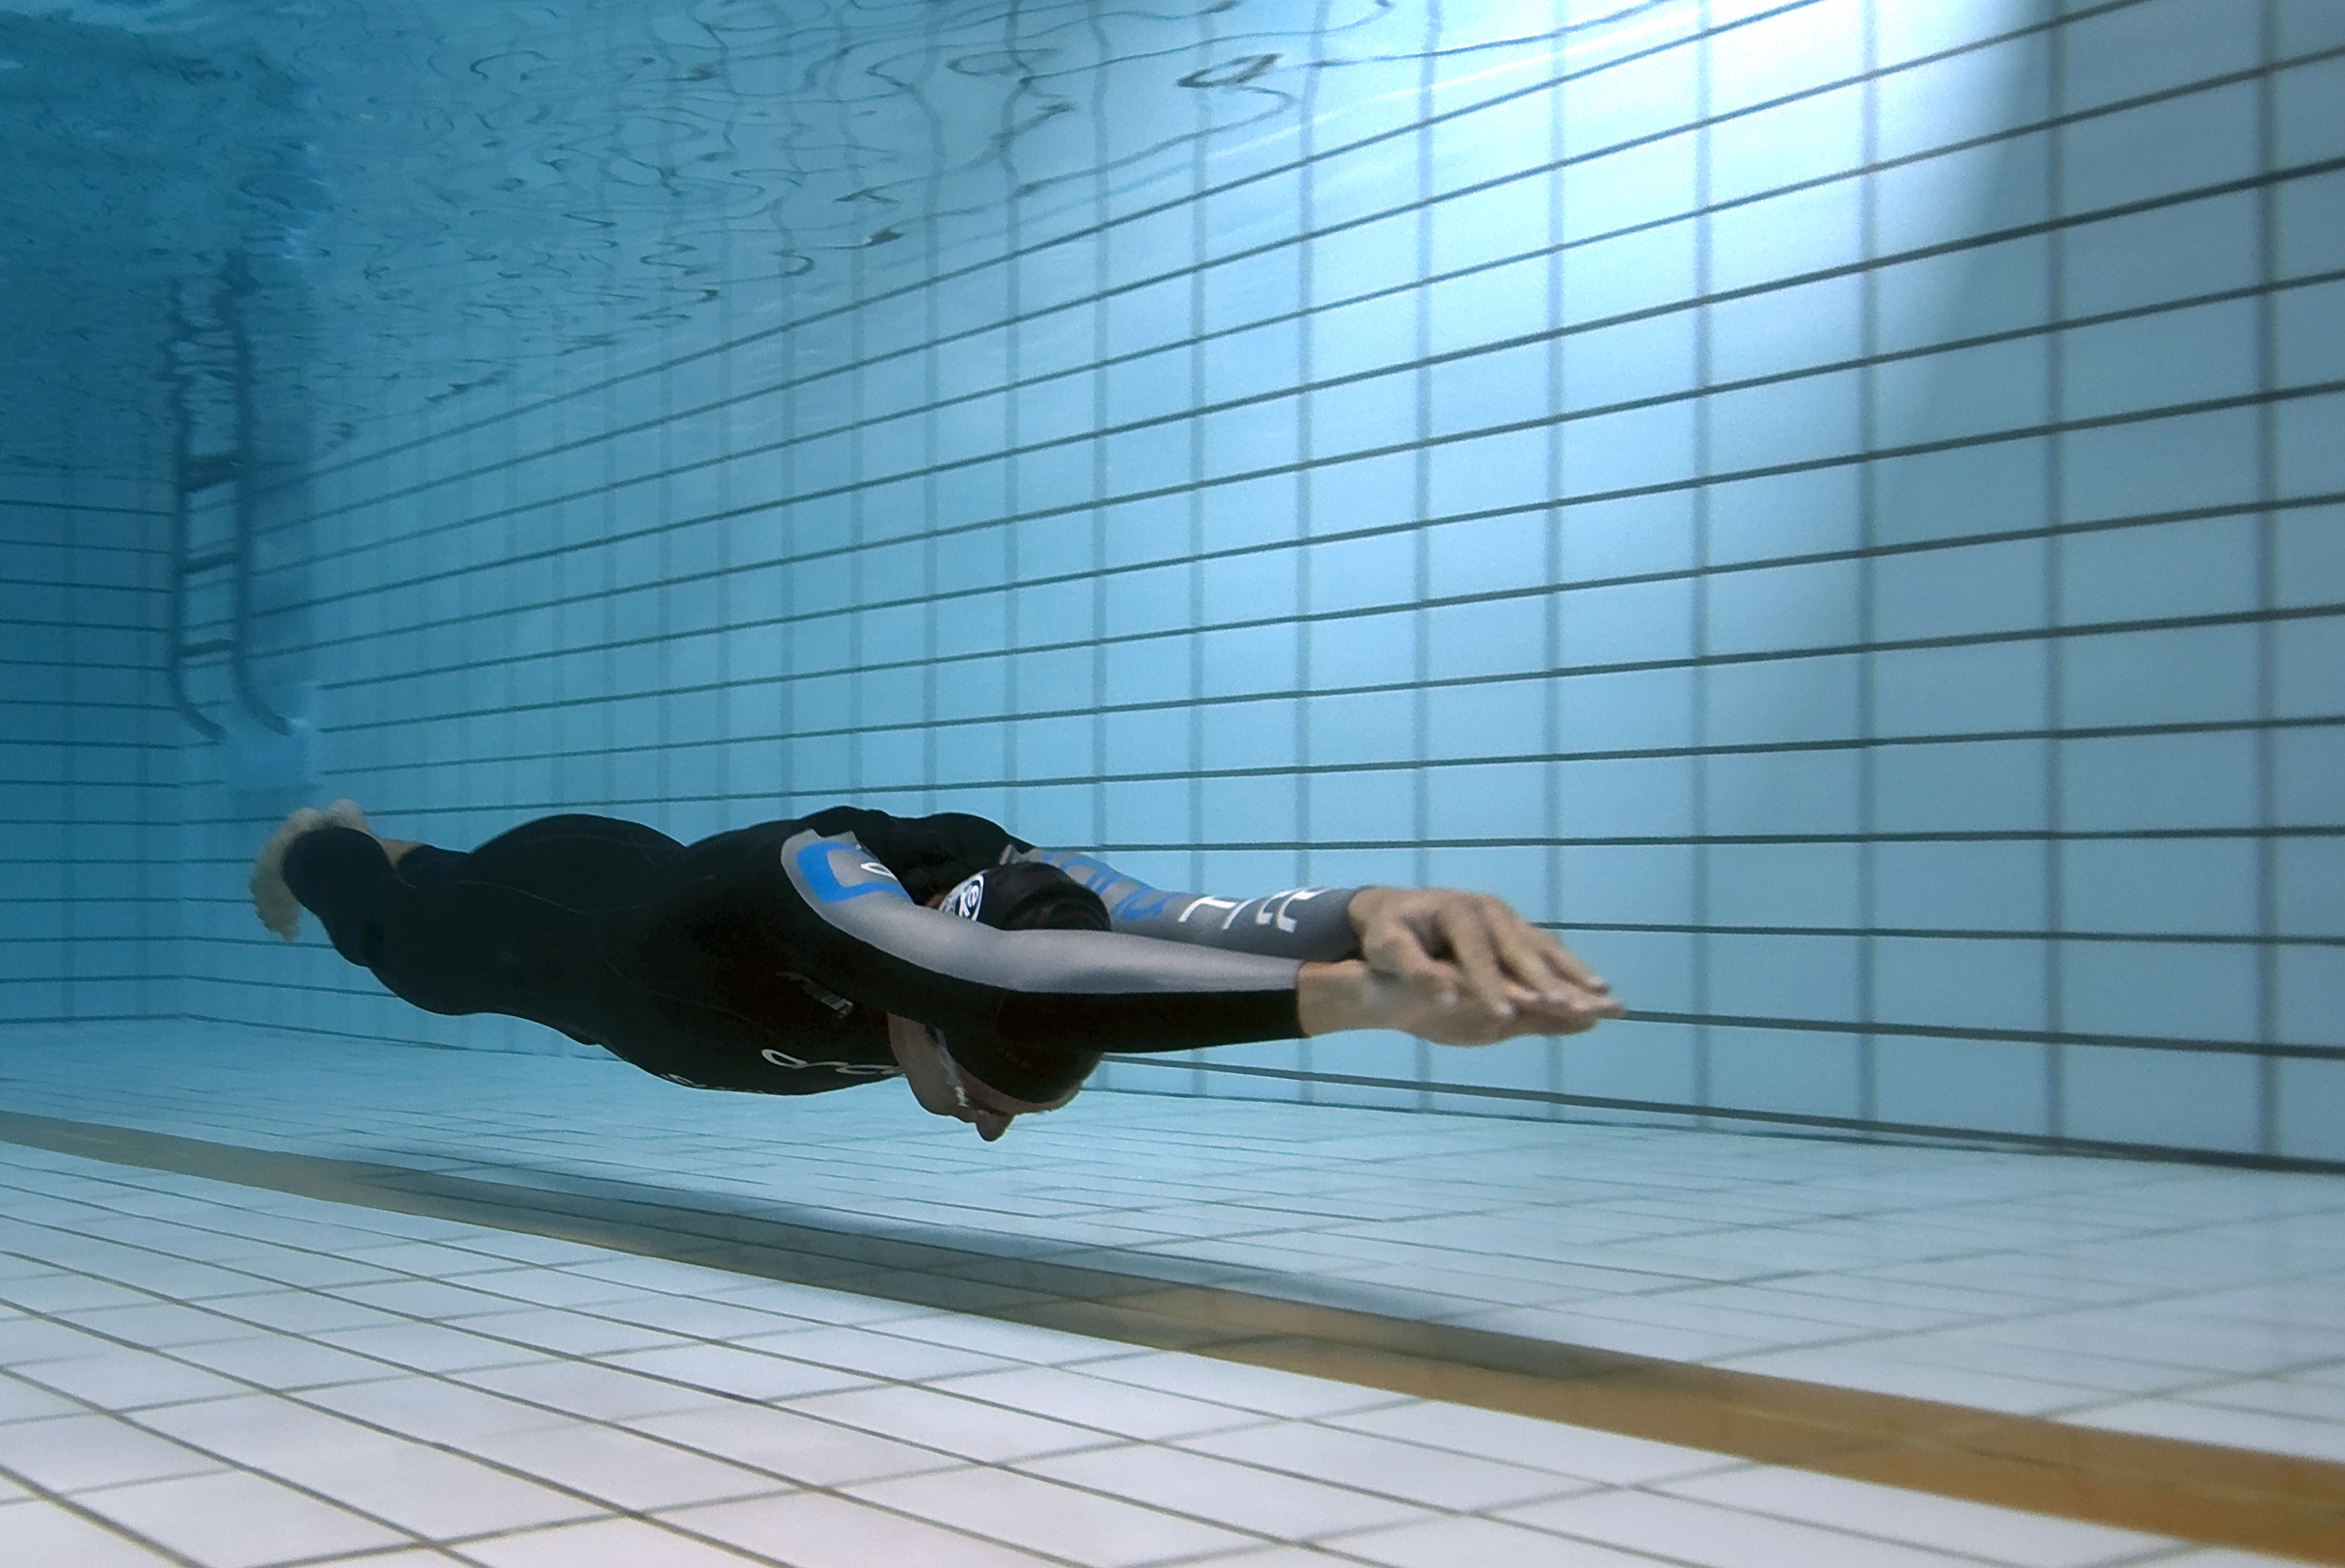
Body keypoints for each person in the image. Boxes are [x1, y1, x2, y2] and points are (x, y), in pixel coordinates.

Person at [250, 800, 1624, 1141]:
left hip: (613, 876)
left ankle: (410, 850)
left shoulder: (1014, 882)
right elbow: (1007, 985)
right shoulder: (811, 896)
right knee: (398, 938)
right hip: (546, 932)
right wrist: (1353, 1002)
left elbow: (1173, 931)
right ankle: (324, 838)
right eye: (987, 1081)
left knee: (455, 891)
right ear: (928, 1006)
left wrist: (1378, 914)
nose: (984, 1121)